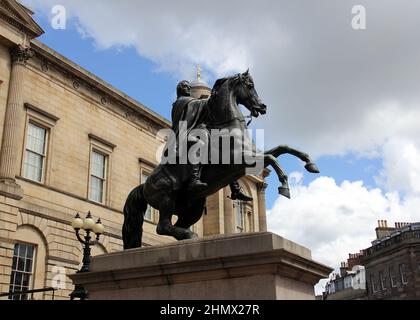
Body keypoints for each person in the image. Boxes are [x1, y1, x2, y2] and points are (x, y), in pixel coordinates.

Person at [171, 80, 253, 202]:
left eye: (189, 86)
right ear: (179, 90)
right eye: (185, 86)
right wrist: (216, 98)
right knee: (197, 143)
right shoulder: (181, 102)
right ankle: (194, 179)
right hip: (185, 135)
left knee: (226, 154)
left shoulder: (193, 103)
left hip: (198, 131)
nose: (187, 88)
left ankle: (235, 189)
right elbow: (199, 107)